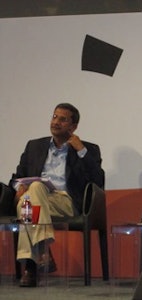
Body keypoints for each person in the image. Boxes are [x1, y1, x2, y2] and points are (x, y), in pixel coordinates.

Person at [9, 103, 104, 287]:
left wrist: (81, 150)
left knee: (28, 200)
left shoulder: (88, 149)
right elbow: (17, 177)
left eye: (63, 119)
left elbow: (98, 180)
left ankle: (33, 262)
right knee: (29, 197)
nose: (56, 122)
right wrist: (19, 186)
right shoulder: (34, 146)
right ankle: (37, 259)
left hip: (66, 200)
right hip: (38, 200)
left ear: (73, 126)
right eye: (54, 117)